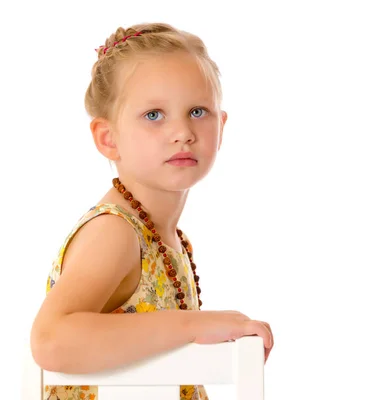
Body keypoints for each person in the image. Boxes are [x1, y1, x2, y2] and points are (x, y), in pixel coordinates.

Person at [30, 22, 274, 400]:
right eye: (154, 115)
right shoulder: (115, 232)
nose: (181, 131)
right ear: (108, 139)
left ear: (221, 127)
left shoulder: (169, 237)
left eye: (197, 111)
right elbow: (50, 340)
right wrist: (194, 325)